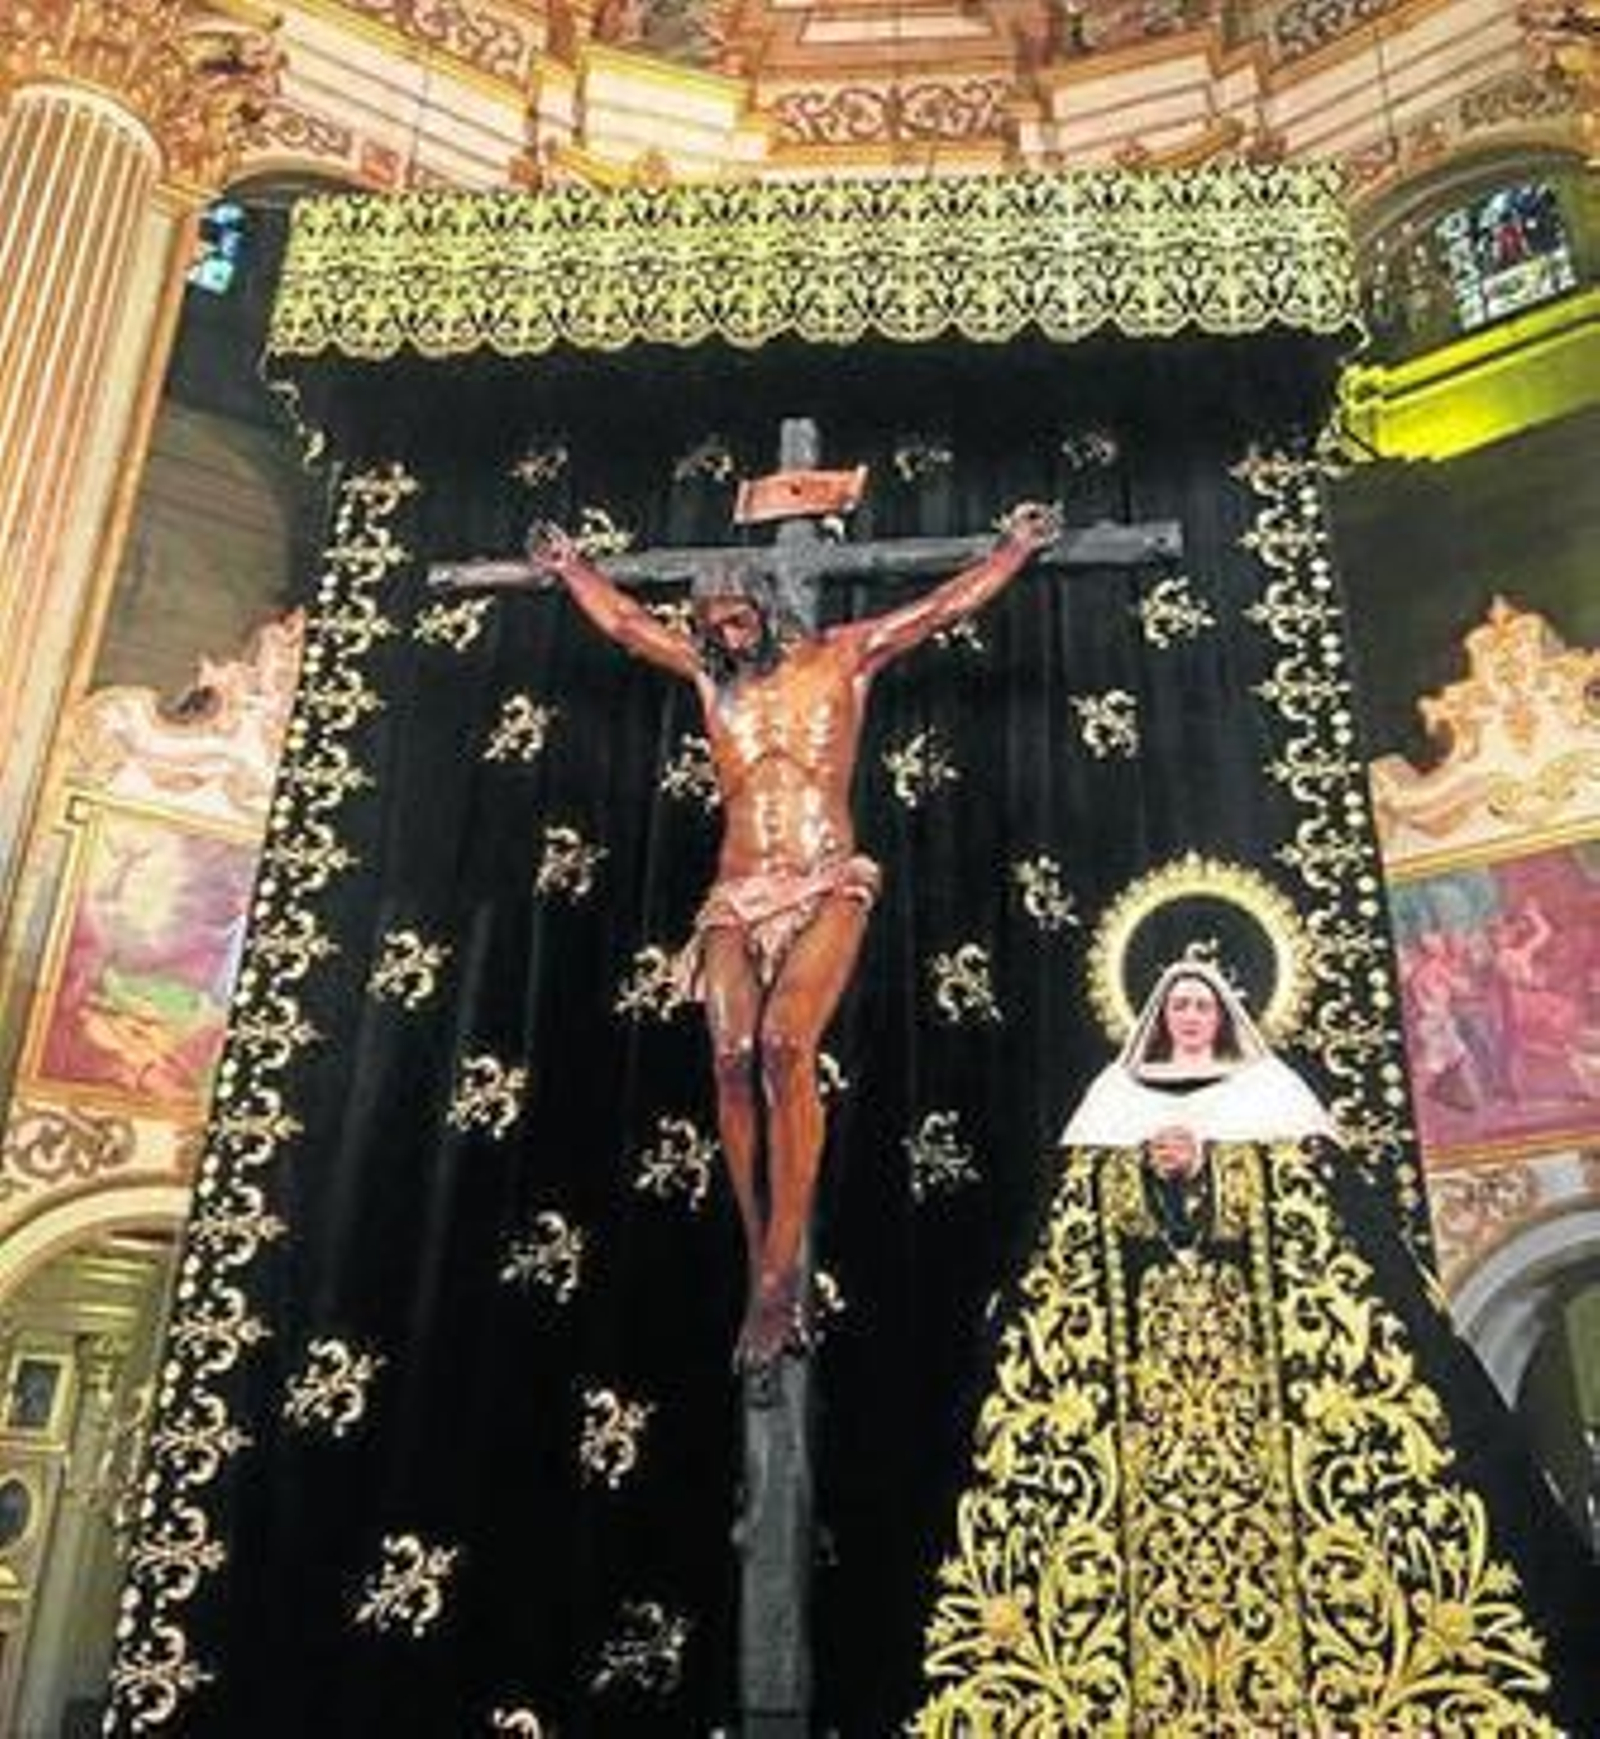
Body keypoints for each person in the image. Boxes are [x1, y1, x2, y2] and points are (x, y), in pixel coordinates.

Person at [918, 953, 1600, 1733]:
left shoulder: (1272, 1095)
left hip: (1275, 1375)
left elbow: (1324, 1219)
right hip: (1140, 1386)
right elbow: (1072, 1236)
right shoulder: (1111, 1099)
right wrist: (1144, 1175)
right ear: (1156, 1013)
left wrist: (1215, 1165)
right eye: (1176, 1004)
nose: (1189, 1016)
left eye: (1202, 1004)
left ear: (1224, 1014)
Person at [527, 502, 1063, 1372]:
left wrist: (1012, 549)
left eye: (737, 620)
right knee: (731, 1055)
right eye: (711, 626)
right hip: (738, 893)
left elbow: (942, 609)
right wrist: (571, 568)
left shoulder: (843, 656)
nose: (726, 637)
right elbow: (627, 623)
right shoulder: (710, 677)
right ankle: (763, 1259)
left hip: (824, 881)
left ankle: (777, 1275)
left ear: (772, 607)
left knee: (784, 1043)